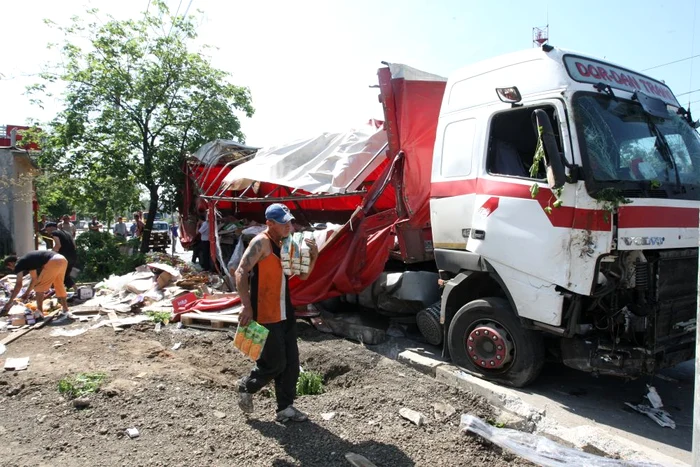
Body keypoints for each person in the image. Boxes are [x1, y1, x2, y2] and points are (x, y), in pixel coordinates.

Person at [234, 203, 319, 423]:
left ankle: (285, 408)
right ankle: (246, 386)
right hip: (265, 312)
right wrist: (246, 305)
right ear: (269, 224)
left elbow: (302, 276)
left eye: (289, 221)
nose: (288, 226)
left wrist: (314, 254)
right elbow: (241, 270)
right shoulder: (261, 242)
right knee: (275, 363)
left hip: (285, 311)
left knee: (292, 363)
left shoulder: (288, 243)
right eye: (283, 223)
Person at [1, 251, 70, 319]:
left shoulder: (18, 264)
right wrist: (27, 293)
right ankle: (65, 309)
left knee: (39, 288)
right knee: (58, 284)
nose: (11, 269)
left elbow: (18, 284)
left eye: (9, 267)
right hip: (62, 259)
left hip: (52, 261)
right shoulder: (27, 261)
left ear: (10, 263)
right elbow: (34, 279)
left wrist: (9, 302)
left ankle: (40, 313)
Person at [45, 222, 78, 290]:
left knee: (56, 274)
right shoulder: (67, 233)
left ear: (51, 227)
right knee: (66, 275)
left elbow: (58, 245)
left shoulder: (55, 233)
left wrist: (50, 254)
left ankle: (57, 291)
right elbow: (75, 246)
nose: (47, 231)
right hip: (73, 256)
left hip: (64, 258)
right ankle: (76, 290)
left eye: (47, 229)